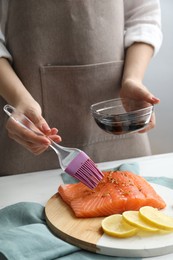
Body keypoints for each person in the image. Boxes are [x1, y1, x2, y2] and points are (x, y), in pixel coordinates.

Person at [0, 0, 162, 176]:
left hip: (120, 116)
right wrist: (19, 99)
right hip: (28, 128)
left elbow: (144, 16)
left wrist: (133, 79)